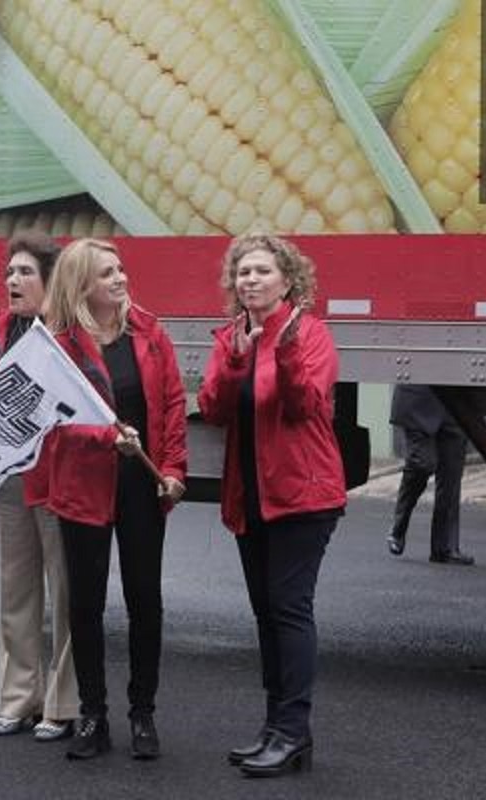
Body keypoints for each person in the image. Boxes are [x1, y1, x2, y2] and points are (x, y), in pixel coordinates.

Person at [197, 233, 346, 778]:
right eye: (243, 273)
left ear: (287, 280)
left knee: (288, 608)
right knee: (267, 614)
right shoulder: (231, 338)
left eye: (262, 271)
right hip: (251, 496)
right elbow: (212, 408)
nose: (251, 281)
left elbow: (306, 404)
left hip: (303, 496)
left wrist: (280, 349)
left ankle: (292, 730)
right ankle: (276, 728)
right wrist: (237, 360)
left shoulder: (310, 334)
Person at [42, 238, 187, 761]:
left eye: (121, 269)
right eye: (107, 274)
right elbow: (54, 424)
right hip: (83, 487)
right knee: (84, 604)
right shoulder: (59, 346)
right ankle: (93, 714)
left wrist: (172, 470)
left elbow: (171, 405)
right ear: (83, 285)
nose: (121, 279)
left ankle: (142, 712)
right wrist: (107, 438)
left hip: (141, 487)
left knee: (145, 600)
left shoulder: (149, 332)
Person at [0, 231, 79, 742]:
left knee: (67, 592)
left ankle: (62, 702)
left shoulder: (69, 333)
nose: (12, 280)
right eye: (9, 272)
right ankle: (17, 698)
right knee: (16, 590)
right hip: (7, 478)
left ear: (50, 282)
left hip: (56, 476)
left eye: (25, 272)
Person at [386, 385, 474, 565]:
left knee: (451, 476)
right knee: (422, 464)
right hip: (418, 399)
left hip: (455, 402)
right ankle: (398, 525)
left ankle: (445, 548)